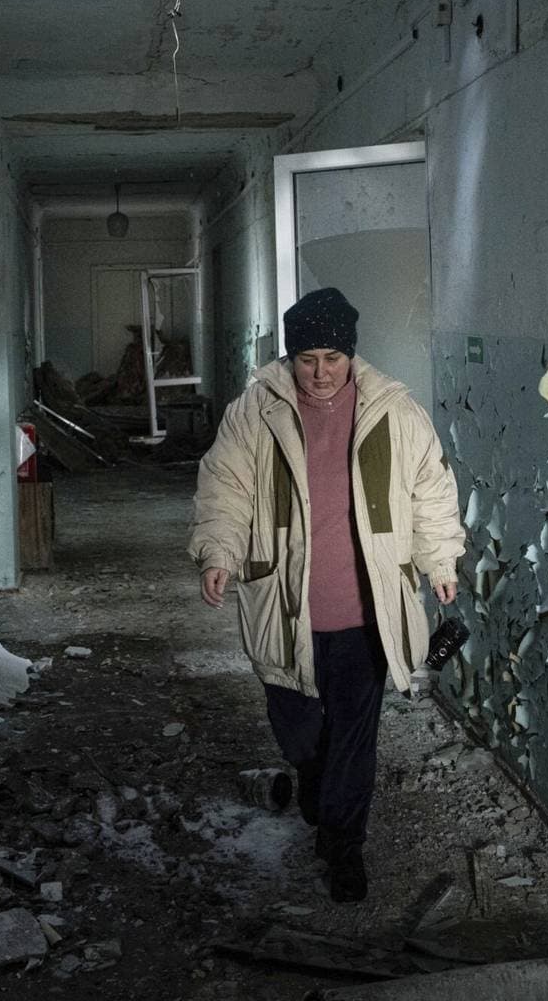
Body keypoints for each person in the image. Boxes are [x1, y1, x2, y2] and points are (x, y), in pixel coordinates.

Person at [189, 286, 465, 902]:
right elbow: (224, 488)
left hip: (366, 610)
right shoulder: (256, 411)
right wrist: (219, 551)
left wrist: (439, 559)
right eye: (307, 359)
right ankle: (313, 775)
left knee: (354, 737)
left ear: (350, 355)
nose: (320, 373)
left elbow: (431, 490)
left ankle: (344, 847)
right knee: (298, 729)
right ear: (291, 357)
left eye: (332, 359)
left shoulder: (394, 412)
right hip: (286, 605)